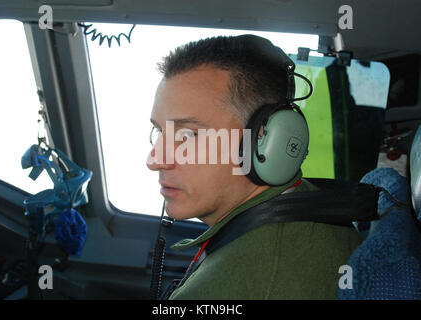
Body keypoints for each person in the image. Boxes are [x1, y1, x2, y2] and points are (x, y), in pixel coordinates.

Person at [146, 34, 362, 299]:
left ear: (266, 140)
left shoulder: (232, 288)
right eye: (159, 132)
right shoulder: (305, 205)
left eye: (187, 135)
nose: (155, 160)